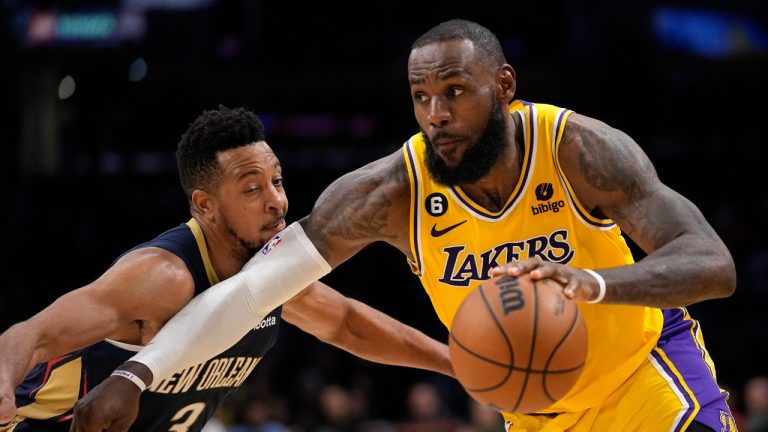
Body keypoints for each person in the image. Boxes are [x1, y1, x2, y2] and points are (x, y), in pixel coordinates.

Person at [67, 18, 738, 432]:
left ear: (503, 86)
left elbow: (712, 265)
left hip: (644, 382)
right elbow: (250, 291)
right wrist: (137, 376)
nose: (436, 115)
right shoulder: (389, 191)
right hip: (532, 410)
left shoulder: (575, 148)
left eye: (455, 92)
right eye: (422, 98)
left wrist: (589, 283)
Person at [0, 106, 454, 431]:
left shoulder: (272, 275)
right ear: (205, 205)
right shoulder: (163, 277)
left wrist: (456, 364)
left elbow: (348, 324)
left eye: (276, 180)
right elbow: (29, 336)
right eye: (253, 189)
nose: (276, 200)